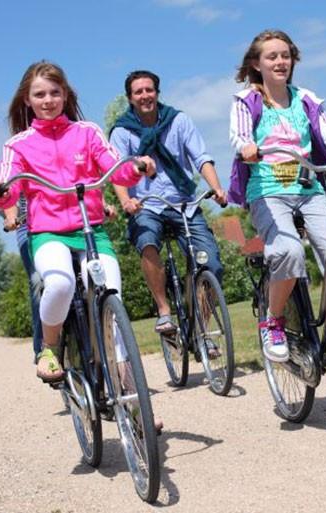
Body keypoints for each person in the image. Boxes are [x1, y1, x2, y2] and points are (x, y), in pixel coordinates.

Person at [0, 61, 156, 383]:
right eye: (39, 95)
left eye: (54, 93)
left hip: (91, 230)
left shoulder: (87, 132)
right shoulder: (17, 145)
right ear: (27, 100)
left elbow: (115, 167)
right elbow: (10, 186)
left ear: (65, 95)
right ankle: (50, 348)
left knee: (111, 298)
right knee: (60, 284)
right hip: (48, 233)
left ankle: (127, 384)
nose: (48, 100)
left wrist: (136, 167)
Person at [228, 30, 326, 363]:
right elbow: (239, 137)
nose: (280, 62)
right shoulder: (247, 101)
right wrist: (247, 147)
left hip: (308, 189)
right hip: (268, 192)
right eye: (272, 56)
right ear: (256, 64)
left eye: (285, 55)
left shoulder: (306, 99)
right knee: (289, 251)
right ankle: (273, 321)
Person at [110, 70, 228, 343]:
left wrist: (216, 188)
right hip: (147, 206)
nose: (145, 96)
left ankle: (201, 328)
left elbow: (201, 157)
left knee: (211, 263)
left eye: (149, 90)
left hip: (184, 203)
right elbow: (118, 170)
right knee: (147, 241)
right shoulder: (122, 131)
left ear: (157, 93)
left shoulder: (178, 120)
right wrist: (126, 201)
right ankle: (164, 311)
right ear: (130, 98)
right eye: (138, 92)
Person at [2, 197, 43, 359]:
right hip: (27, 229)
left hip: (60, 222)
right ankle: (41, 346)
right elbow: (7, 197)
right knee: (38, 280)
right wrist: (11, 216)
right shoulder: (14, 179)